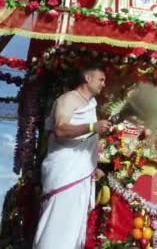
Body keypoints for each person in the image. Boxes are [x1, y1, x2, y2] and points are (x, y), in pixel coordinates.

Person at [33, 64, 112, 249]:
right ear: (88, 78)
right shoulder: (68, 99)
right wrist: (92, 127)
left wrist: (93, 167)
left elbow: (83, 143)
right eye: (101, 79)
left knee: (74, 224)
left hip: (80, 173)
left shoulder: (91, 105)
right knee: (58, 221)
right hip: (65, 171)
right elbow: (60, 129)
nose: (103, 84)